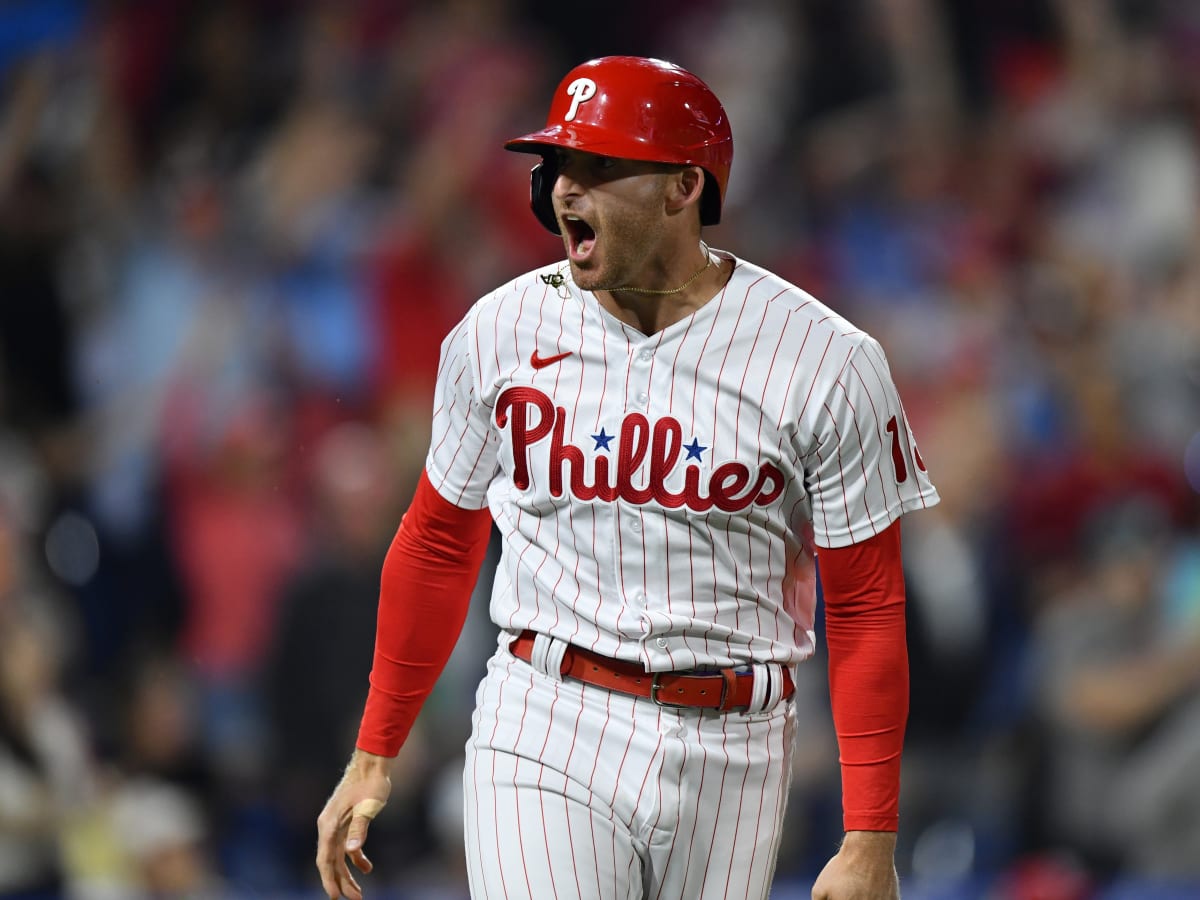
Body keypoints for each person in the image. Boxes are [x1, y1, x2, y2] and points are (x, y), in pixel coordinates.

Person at [316, 55, 939, 900]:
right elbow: (436, 542)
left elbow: (865, 604)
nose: (565, 189)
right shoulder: (499, 331)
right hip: (546, 715)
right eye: (558, 164)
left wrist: (870, 837)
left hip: (739, 745)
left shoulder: (825, 359)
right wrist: (373, 752)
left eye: (599, 166)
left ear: (685, 186)